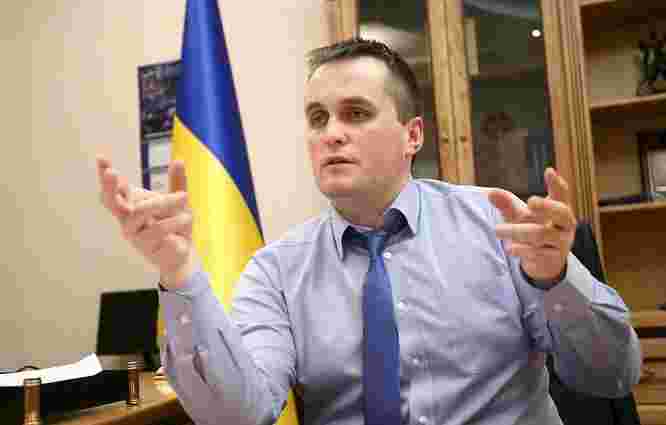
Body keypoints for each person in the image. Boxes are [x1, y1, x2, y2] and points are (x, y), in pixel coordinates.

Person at [97, 38, 641, 425]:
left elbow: (611, 376)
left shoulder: (498, 224)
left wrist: (554, 279)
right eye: (317, 118)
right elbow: (237, 414)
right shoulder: (277, 271)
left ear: (412, 135)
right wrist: (179, 272)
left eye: (355, 113)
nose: (331, 134)